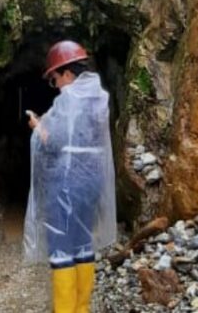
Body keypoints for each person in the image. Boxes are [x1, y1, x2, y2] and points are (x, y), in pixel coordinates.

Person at [23, 40, 117, 313]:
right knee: (83, 242)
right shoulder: (99, 98)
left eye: (55, 78)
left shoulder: (68, 101)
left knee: (62, 247)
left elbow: (55, 142)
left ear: (66, 72)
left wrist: (39, 127)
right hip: (92, 184)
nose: (56, 84)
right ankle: (82, 308)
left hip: (66, 186)